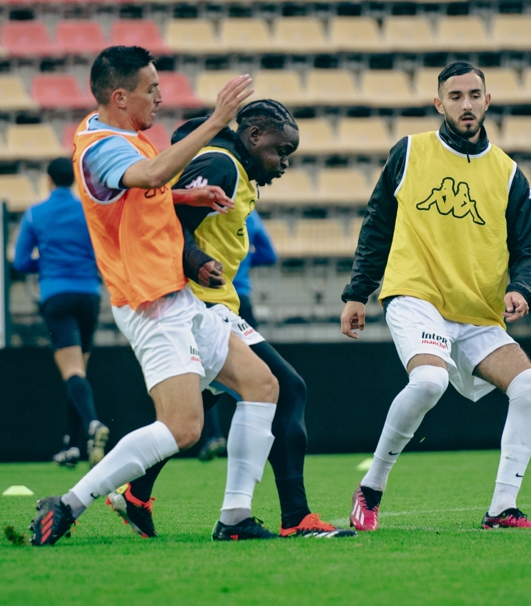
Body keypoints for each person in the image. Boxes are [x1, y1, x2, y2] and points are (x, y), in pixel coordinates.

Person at [30, 46, 281, 545]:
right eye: (152, 90)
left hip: (176, 296)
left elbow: (140, 195)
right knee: (184, 428)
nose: (161, 99)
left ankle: (234, 518)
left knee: (261, 385)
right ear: (120, 96)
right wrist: (217, 122)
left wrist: (185, 196)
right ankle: (68, 503)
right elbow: (144, 177)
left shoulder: (124, 138)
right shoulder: (103, 146)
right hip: (151, 302)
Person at [108, 99, 355, 539]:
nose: (283, 164)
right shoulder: (220, 164)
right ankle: (292, 516)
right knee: (288, 390)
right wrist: (196, 259)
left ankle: (136, 492)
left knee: (204, 404)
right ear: (254, 137)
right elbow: (164, 221)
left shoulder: (236, 169)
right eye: (280, 151)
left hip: (213, 303)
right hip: (197, 304)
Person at [340, 62, 531, 532]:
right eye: (455, 96)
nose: (466, 104)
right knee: (430, 383)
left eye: (474, 94)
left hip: (477, 310)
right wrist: (358, 293)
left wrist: (523, 289)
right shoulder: (410, 152)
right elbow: (378, 225)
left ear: (487, 100)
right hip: (416, 295)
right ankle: (371, 487)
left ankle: (501, 510)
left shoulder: (508, 172)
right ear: (440, 104)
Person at [13, 158, 108, 469]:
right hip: (89, 296)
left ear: (49, 180)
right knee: (80, 371)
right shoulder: (89, 210)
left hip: (56, 294)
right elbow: (104, 251)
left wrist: (51, 262)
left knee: (72, 372)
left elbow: (21, 262)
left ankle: (93, 424)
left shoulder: (35, 214)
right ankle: (71, 445)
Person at [192, 210, 277, 463]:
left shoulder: (206, 213)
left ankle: (212, 435)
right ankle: (260, 439)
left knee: (207, 373)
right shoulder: (250, 216)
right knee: (260, 374)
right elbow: (269, 255)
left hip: (208, 299)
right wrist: (242, 261)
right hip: (241, 299)